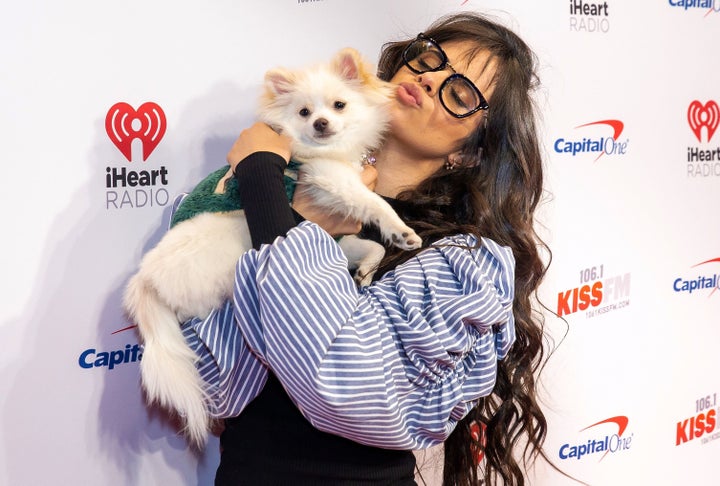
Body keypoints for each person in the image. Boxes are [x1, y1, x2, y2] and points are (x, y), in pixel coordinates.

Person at [180, 11, 550, 486]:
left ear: (470, 152)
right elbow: (208, 386)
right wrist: (296, 210)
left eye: (460, 94)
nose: (432, 80)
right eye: (430, 58)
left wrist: (266, 187)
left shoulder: (464, 261)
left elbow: (343, 384)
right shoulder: (276, 192)